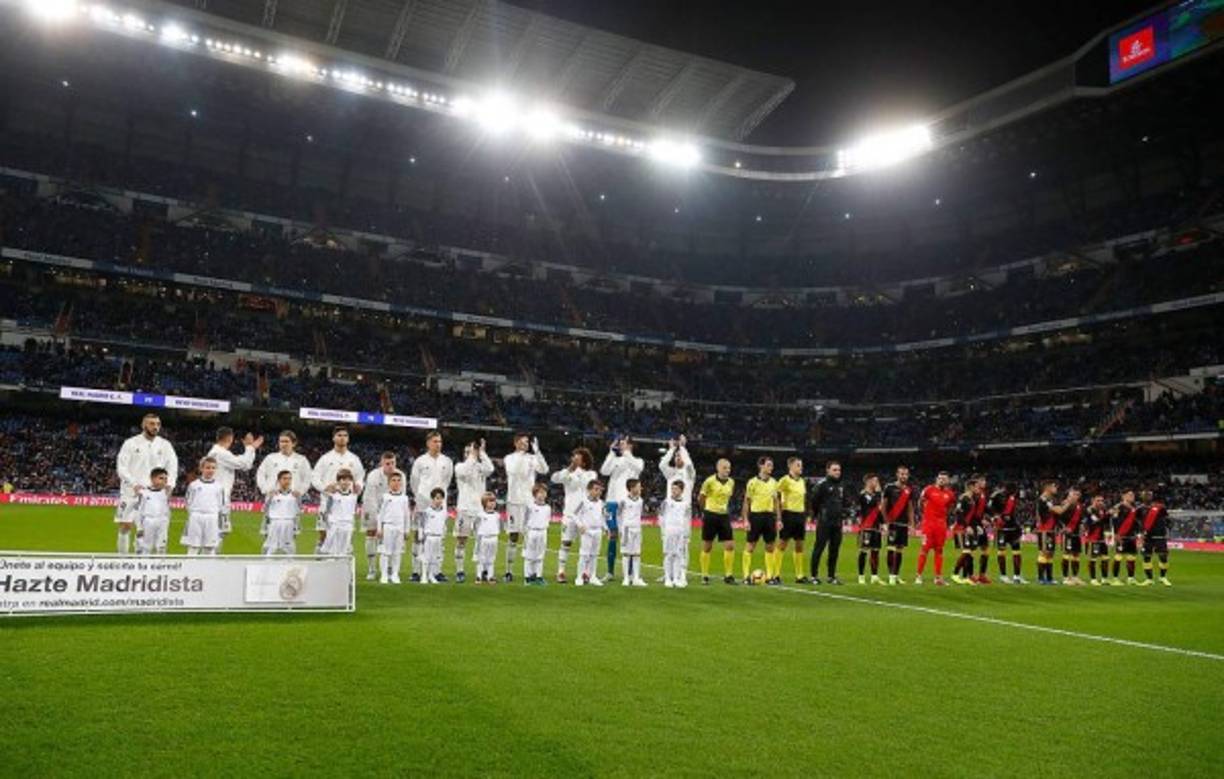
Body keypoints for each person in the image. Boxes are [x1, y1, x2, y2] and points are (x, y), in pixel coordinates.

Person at [115, 412, 178, 554]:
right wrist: (133, 483)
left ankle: (149, 563)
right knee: (125, 526)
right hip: (131, 491)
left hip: (155, 494)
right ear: (143, 425)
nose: (155, 427)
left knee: (151, 529)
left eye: (158, 424)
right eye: (152, 423)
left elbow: (173, 466)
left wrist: (170, 485)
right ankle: (121, 561)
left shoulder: (165, 445)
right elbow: (121, 467)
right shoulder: (130, 443)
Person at [205, 426, 263, 554]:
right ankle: (210, 560)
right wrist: (250, 447)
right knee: (218, 532)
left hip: (216, 497)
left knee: (220, 531)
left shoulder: (216, 452)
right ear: (230, 438)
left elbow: (243, 464)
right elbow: (244, 465)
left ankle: (211, 557)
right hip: (218, 499)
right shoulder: (220, 453)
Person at [502, 433, 548, 583]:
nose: (525, 444)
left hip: (529, 502)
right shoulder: (509, 458)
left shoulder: (532, 458)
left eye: (527, 442)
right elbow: (513, 471)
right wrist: (522, 455)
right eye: (522, 442)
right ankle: (508, 571)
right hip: (514, 501)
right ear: (515, 443)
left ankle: (531, 573)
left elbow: (544, 469)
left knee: (530, 537)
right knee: (513, 536)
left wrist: (538, 453)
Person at [312, 426, 366, 554]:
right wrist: (324, 487)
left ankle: (344, 560)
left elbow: (360, 477)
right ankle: (321, 559)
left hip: (346, 503)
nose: (342, 438)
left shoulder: (354, 459)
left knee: (346, 532)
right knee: (324, 533)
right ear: (333, 438)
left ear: (348, 439)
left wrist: (358, 485)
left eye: (345, 435)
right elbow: (314, 477)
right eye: (339, 435)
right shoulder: (326, 458)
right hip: (328, 502)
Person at [409, 431, 453, 582]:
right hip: (423, 504)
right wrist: (421, 497)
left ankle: (436, 571)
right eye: (435, 441)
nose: (438, 444)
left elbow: (447, 481)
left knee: (439, 537)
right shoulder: (420, 461)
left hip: (440, 504)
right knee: (418, 536)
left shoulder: (447, 461)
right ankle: (416, 571)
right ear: (428, 443)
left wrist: (439, 499)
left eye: (440, 441)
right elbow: (414, 482)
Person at [599, 437, 644, 582]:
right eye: (620, 443)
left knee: (629, 540)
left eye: (624, 443)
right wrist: (611, 453)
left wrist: (626, 453)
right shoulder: (616, 460)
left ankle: (630, 574)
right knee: (612, 536)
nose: (621, 445)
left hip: (627, 504)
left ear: (630, 445)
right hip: (612, 502)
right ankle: (610, 572)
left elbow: (638, 469)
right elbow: (604, 471)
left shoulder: (637, 461)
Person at [551, 447, 594, 583]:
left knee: (586, 545)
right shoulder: (568, 473)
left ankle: (585, 573)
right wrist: (570, 468)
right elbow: (554, 478)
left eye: (578, 456)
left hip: (585, 516)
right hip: (569, 514)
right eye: (574, 455)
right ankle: (561, 571)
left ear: (584, 461)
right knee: (566, 543)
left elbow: (583, 483)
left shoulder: (591, 474)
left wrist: (575, 471)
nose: (574, 457)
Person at [454, 440, 494, 583]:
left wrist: (482, 452)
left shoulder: (480, 467)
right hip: (464, 508)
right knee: (461, 540)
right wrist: (472, 455)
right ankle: (459, 570)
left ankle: (482, 571)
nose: (471, 453)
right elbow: (465, 470)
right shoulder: (459, 467)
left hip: (479, 510)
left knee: (482, 542)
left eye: (472, 451)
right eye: (468, 451)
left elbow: (491, 468)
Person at [741, 457, 780, 585]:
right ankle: (746, 576)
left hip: (769, 517)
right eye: (769, 465)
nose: (771, 468)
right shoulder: (752, 482)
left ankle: (769, 577)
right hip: (756, 516)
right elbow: (746, 502)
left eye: (772, 465)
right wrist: (746, 519)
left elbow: (776, 502)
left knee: (770, 546)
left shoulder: (774, 482)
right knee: (750, 546)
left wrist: (779, 519)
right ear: (761, 466)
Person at [808, 460, 849, 585]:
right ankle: (814, 576)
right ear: (828, 470)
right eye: (834, 470)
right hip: (825, 521)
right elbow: (814, 501)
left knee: (834, 550)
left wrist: (844, 513)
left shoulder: (841, 485)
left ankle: (831, 576)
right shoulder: (822, 484)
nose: (837, 472)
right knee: (819, 548)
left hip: (837, 522)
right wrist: (816, 515)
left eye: (839, 470)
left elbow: (843, 502)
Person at [697, 458, 737, 585]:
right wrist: (705, 511)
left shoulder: (731, 482)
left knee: (730, 545)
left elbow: (728, 497)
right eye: (725, 467)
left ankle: (728, 575)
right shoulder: (709, 481)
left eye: (729, 468)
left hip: (724, 515)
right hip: (711, 515)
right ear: (718, 468)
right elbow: (701, 497)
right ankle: (704, 575)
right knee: (708, 546)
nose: (727, 470)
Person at [361, 452, 399, 580]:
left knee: (389, 536)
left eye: (393, 463)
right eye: (387, 463)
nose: (390, 466)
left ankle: (388, 568)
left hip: (390, 510)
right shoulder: (373, 475)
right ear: (382, 463)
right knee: (371, 534)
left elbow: (399, 496)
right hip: (371, 508)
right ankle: (372, 568)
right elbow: (370, 498)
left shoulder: (400, 476)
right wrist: (379, 519)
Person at [1034, 481, 1079, 585]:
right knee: (1044, 552)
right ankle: (1041, 578)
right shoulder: (1043, 499)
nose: (1056, 488)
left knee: (1050, 554)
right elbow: (1059, 511)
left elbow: (1057, 512)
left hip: (1051, 530)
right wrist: (1069, 502)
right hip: (1045, 529)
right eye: (1054, 486)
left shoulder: (1050, 499)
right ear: (1047, 487)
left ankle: (1049, 578)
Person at [914, 471, 956, 586]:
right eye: (940, 478)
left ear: (948, 481)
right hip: (928, 524)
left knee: (939, 550)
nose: (942, 480)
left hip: (941, 525)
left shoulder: (950, 494)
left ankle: (938, 577)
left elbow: (951, 507)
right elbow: (919, 502)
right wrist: (924, 516)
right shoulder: (928, 490)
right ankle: (918, 576)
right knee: (924, 549)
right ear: (936, 479)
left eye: (944, 479)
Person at [181, 456, 226, 556]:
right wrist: (194, 514)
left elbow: (222, 505)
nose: (210, 470)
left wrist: (223, 523)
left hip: (212, 518)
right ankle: (190, 570)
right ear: (201, 468)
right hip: (196, 517)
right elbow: (188, 502)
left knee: (210, 548)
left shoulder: (219, 487)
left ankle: (208, 571)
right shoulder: (194, 485)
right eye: (208, 467)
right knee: (193, 547)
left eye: (213, 468)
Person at [777, 457, 810, 583]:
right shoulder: (784, 480)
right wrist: (779, 516)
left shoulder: (802, 481)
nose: (800, 467)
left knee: (799, 545)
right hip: (788, 514)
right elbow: (776, 497)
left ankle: (799, 575)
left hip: (800, 515)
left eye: (801, 465)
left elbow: (804, 499)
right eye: (798, 465)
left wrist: (806, 515)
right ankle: (775, 574)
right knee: (782, 544)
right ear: (790, 467)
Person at [882, 466, 916, 585]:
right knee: (891, 548)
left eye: (905, 474)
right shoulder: (889, 487)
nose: (903, 476)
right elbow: (883, 506)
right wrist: (885, 523)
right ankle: (891, 575)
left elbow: (910, 508)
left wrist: (912, 524)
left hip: (903, 523)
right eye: (901, 474)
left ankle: (896, 575)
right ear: (897, 474)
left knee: (900, 550)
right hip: (892, 522)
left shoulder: (909, 489)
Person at [950, 475, 986, 585]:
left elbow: (972, 516)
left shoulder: (972, 499)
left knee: (970, 553)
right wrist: (966, 526)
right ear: (970, 487)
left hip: (969, 528)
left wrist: (977, 526)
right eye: (976, 487)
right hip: (961, 529)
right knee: (966, 552)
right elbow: (958, 513)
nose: (978, 488)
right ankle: (955, 574)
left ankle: (966, 576)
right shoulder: (963, 498)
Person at [255, 430, 313, 497]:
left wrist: (300, 491)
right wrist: (265, 489)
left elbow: (308, 478)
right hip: (273, 498)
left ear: (294, 443)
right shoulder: (270, 458)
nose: (283, 444)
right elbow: (260, 474)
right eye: (281, 441)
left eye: (286, 441)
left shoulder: (302, 460)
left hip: (293, 499)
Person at [376, 471, 410, 584]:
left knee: (397, 552)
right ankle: (384, 575)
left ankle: (395, 574)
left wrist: (406, 530)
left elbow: (406, 515)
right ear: (389, 483)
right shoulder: (385, 497)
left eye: (398, 480)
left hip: (399, 527)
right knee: (385, 552)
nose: (396, 483)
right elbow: (380, 514)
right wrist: (379, 528)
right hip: (388, 527)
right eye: (393, 480)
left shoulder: (404, 498)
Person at [989, 483, 1024, 584]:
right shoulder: (996, 496)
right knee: (1002, 552)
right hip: (1002, 529)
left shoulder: (1013, 497)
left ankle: (1016, 576)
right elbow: (989, 508)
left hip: (1013, 528)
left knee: (1017, 551)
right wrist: (994, 517)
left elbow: (1013, 512)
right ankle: (1003, 575)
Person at [574, 480, 607, 587]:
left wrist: (606, 528)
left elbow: (603, 517)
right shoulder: (583, 501)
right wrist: (580, 525)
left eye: (600, 490)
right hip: (587, 531)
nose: (598, 492)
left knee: (594, 555)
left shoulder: (601, 503)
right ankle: (579, 577)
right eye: (596, 489)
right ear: (589, 490)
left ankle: (592, 576)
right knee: (584, 555)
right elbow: (574, 514)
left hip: (598, 531)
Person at [261, 470, 301, 556]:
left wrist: (297, 527)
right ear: (279, 480)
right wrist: (264, 526)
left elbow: (299, 511)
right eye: (285, 478)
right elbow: (265, 510)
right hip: (275, 523)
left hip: (289, 523)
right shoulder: (272, 494)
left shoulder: (295, 495)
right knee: (269, 548)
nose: (288, 481)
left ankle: (290, 567)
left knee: (290, 548)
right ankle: (265, 565)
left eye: (290, 479)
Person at [319, 469, 359, 556]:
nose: (346, 482)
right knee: (333, 551)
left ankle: (342, 568)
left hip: (348, 526)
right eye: (343, 479)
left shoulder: (353, 496)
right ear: (338, 481)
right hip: (335, 525)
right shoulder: (333, 495)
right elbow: (327, 511)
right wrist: (329, 521)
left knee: (344, 551)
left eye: (348, 480)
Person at [1137, 489, 1172, 587]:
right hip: (1147, 537)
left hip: (1160, 536)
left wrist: (1168, 530)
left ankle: (1163, 577)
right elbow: (1137, 522)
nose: (1147, 496)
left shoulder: (1160, 508)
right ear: (1142, 497)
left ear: (1152, 497)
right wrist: (1140, 533)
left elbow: (1168, 520)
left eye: (1149, 495)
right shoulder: (1140, 509)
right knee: (1146, 557)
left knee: (1163, 557)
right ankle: (1149, 579)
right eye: (1145, 495)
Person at [660, 479, 691, 588]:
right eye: (672, 489)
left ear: (681, 490)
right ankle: (668, 578)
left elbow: (687, 519)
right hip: (669, 532)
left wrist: (686, 534)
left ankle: (677, 578)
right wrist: (663, 533)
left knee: (678, 555)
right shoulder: (666, 502)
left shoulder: (686, 504)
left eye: (676, 489)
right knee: (668, 555)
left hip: (680, 532)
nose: (673, 491)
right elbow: (661, 517)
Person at [134, 467, 171, 555]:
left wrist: (166, 522)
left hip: (162, 521)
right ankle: (144, 566)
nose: (164, 481)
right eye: (161, 478)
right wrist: (139, 527)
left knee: (161, 547)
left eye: (166, 479)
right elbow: (138, 511)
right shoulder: (143, 493)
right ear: (152, 478)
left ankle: (160, 566)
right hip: (148, 522)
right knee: (146, 547)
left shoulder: (166, 492)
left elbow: (167, 510)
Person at [856, 473, 885, 585]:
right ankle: (861, 576)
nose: (877, 484)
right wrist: (878, 493)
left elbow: (878, 510)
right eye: (875, 481)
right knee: (864, 551)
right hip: (866, 526)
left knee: (875, 552)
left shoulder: (875, 495)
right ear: (868, 481)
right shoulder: (863, 495)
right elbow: (872, 503)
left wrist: (883, 523)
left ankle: (874, 576)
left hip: (876, 527)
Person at [619, 478, 647, 587]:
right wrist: (621, 528)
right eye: (638, 486)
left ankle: (636, 578)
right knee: (626, 554)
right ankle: (626, 578)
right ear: (632, 488)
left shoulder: (640, 500)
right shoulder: (623, 501)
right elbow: (618, 514)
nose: (640, 488)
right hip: (627, 529)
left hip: (637, 529)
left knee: (637, 554)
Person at [418, 487, 449, 584]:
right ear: (432, 499)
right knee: (426, 557)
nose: (439, 500)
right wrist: (421, 536)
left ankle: (431, 575)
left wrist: (443, 535)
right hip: (429, 536)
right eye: (437, 498)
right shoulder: (427, 511)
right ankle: (424, 575)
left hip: (438, 537)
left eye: (441, 498)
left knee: (434, 558)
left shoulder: (444, 512)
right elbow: (421, 524)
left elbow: (444, 524)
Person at [1110, 489, 1142, 586]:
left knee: (1131, 558)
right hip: (1121, 536)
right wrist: (1115, 534)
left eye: (1133, 495)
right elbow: (1114, 520)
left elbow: (1137, 523)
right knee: (1118, 557)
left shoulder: (1134, 508)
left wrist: (1138, 535)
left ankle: (1131, 578)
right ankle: (1115, 579)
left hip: (1132, 536)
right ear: (1123, 496)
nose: (1132, 496)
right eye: (1130, 495)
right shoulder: (1118, 507)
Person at [523, 484, 552, 586]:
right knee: (529, 556)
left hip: (543, 532)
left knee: (540, 556)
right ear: (535, 494)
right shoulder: (530, 506)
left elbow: (547, 519)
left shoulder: (548, 507)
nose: (542, 495)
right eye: (540, 492)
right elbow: (525, 519)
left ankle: (538, 576)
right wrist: (526, 531)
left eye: (544, 492)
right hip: (532, 532)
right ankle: (527, 577)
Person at [1059, 489, 1087, 585]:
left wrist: (1082, 525)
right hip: (1068, 534)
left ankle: (1075, 577)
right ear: (1069, 495)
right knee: (1067, 554)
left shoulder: (1080, 506)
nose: (1076, 496)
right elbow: (1057, 517)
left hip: (1076, 534)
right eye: (1074, 494)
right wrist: (1063, 527)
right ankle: (1065, 578)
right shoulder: (1065, 505)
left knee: (1076, 555)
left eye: (1078, 494)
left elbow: (1082, 519)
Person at [659, 436, 696, 504]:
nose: (678, 457)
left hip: (684, 511)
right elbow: (662, 465)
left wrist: (682, 447)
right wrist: (672, 449)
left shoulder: (689, 474)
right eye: (676, 455)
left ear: (685, 456)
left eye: (680, 455)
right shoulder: (671, 473)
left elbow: (689, 465)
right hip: (670, 510)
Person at [475, 492, 502, 585]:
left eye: (493, 501)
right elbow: (476, 526)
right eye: (490, 501)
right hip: (484, 538)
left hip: (494, 538)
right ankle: (479, 576)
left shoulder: (497, 515)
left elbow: (499, 526)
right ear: (484, 503)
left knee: (491, 558)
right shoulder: (480, 515)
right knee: (482, 558)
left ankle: (490, 576)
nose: (492, 503)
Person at [1084, 495, 1111, 586]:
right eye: (1098, 500)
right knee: (1093, 559)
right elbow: (1096, 522)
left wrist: (1109, 516)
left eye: (1102, 500)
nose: (1100, 502)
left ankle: (1104, 579)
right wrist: (1107, 515)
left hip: (1102, 538)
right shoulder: (1089, 510)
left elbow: (1106, 522)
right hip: (1092, 538)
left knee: (1105, 559)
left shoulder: (1102, 510)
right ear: (1093, 501)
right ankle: (1093, 579)